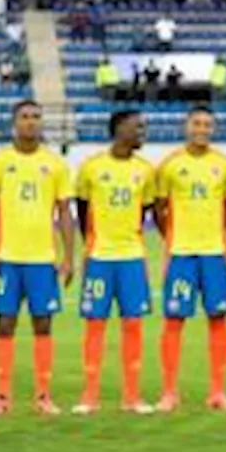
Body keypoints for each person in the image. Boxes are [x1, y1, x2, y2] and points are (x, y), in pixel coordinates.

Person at [0, 100, 74, 417]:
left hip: (42, 261)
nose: (30, 123)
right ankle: (2, 396)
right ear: (14, 123)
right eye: (24, 117)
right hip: (7, 259)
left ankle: (43, 396)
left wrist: (69, 256)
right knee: (4, 324)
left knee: (43, 326)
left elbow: (64, 213)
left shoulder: (55, 164)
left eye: (35, 117)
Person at [153, 107, 226, 414]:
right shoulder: (170, 166)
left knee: (218, 319)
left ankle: (217, 392)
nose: (202, 129)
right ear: (186, 126)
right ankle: (169, 392)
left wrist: (214, 235)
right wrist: (174, 239)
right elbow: (159, 208)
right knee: (174, 320)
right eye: (197, 124)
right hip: (181, 255)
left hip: (215, 254)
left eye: (207, 124)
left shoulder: (225, 166)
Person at [73, 110, 157, 416]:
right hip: (99, 258)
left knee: (132, 325)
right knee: (95, 325)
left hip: (132, 257)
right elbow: (82, 211)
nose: (142, 132)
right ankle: (90, 395)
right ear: (120, 129)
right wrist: (95, 243)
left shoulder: (146, 171)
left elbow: (146, 210)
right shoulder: (92, 168)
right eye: (138, 127)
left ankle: (132, 396)